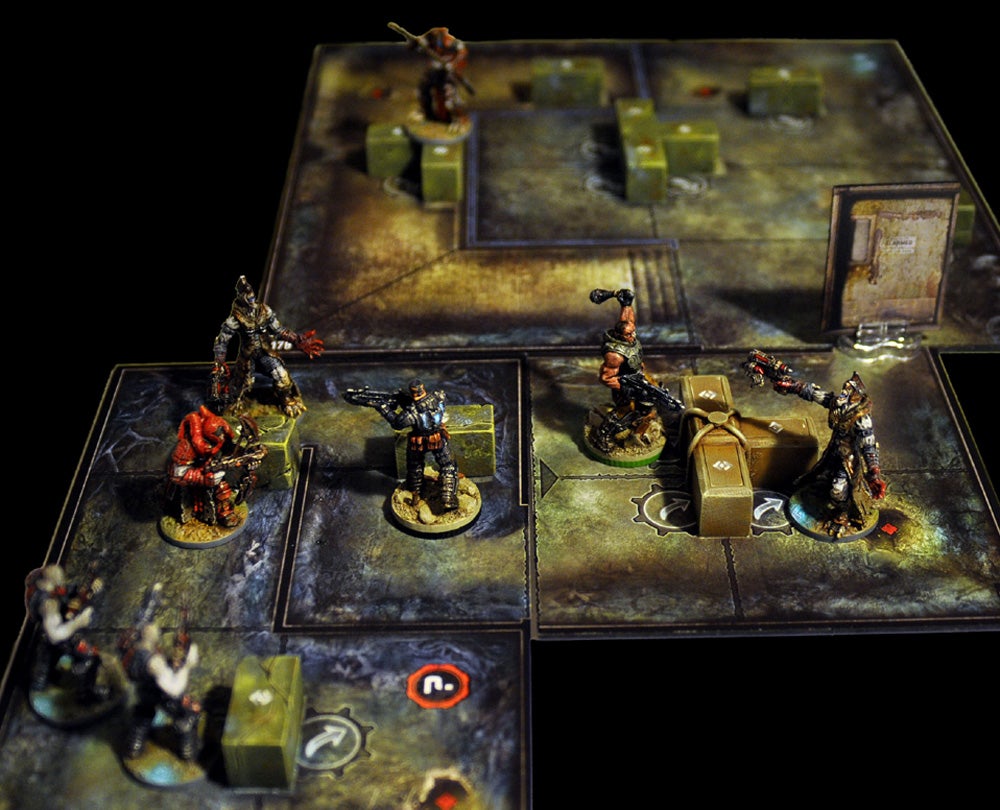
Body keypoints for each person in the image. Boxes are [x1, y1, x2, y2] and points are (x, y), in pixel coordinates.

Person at [773, 370, 887, 536]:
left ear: (856, 395)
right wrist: (792, 386)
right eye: (845, 388)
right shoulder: (838, 404)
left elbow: (868, 446)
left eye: (848, 390)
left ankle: (843, 515)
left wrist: (874, 472)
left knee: (838, 489)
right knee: (821, 477)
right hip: (833, 451)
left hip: (848, 459)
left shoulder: (862, 418)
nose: (844, 392)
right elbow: (815, 394)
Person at [212, 275, 323, 418]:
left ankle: (286, 399)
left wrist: (297, 339)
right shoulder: (236, 318)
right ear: (242, 298)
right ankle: (235, 403)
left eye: (253, 298)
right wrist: (219, 362)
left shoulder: (264, 311)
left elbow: (278, 330)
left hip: (265, 353)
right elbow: (222, 341)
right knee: (243, 384)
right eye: (249, 299)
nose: (252, 302)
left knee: (282, 375)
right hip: (248, 357)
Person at [371, 379, 460, 510]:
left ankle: (416, 492)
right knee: (448, 466)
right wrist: (403, 400)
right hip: (437, 438)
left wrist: (382, 407)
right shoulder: (439, 397)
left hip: (418, 441)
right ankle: (447, 498)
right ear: (423, 388)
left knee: (415, 467)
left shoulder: (412, 412)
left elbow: (397, 423)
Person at [24, 564, 106, 702]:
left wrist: (90, 588)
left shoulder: (51, 589)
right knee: (90, 657)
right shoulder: (48, 604)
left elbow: (69, 590)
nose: (61, 583)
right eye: (58, 580)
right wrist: (78, 622)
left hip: (55, 636)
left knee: (45, 670)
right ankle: (84, 692)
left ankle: (44, 681)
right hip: (59, 638)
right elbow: (55, 636)